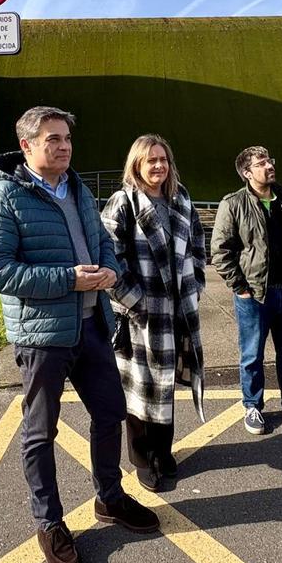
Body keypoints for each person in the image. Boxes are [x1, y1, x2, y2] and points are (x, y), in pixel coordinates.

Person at [0, 106, 159, 563]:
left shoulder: (77, 187)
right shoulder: (6, 197)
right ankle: (50, 523)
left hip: (92, 325)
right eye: (53, 139)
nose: (63, 146)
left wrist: (110, 271)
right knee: (41, 432)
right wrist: (68, 280)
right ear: (27, 146)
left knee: (110, 412)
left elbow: (101, 242)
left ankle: (109, 498)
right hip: (43, 337)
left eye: (67, 139)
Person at [101, 134, 206, 492]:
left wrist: (197, 284)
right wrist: (134, 300)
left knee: (166, 385)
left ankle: (164, 450)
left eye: (163, 159)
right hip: (140, 316)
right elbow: (108, 257)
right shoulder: (123, 203)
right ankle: (142, 458)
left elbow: (197, 245)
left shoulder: (181, 198)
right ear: (137, 165)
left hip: (178, 311)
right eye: (151, 160)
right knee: (139, 388)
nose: (158, 166)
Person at [210, 146, 282, 435]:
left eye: (270, 160)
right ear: (247, 172)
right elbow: (221, 251)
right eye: (261, 163)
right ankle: (252, 405)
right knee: (251, 354)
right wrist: (240, 287)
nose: (269, 166)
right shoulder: (233, 204)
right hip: (255, 294)